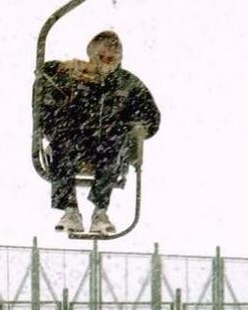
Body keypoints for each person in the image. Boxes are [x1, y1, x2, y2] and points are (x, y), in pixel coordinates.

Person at [35, 31, 161, 235]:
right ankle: (70, 209)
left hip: (108, 148)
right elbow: (43, 74)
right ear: (91, 55)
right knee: (64, 133)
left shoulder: (127, 84)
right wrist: (61, 68)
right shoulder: (72, 77)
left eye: (112, 59)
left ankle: (100, 211)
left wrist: (133, 127)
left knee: (114, 135)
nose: (106, 64)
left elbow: (151, 117)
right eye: (100, 58)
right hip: (72, 143)